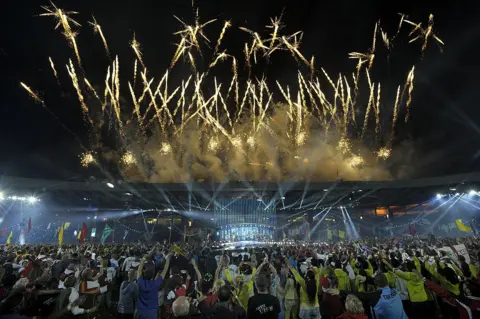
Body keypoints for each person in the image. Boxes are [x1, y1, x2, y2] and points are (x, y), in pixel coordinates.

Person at [136, 250, 171, 319]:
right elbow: (165, 270)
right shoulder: (156, 283)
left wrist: (143, 259)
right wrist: (168, 260)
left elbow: (139, 270)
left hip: (140, 311)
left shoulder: (140, 282)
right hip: (152, 312)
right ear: (153, 275)